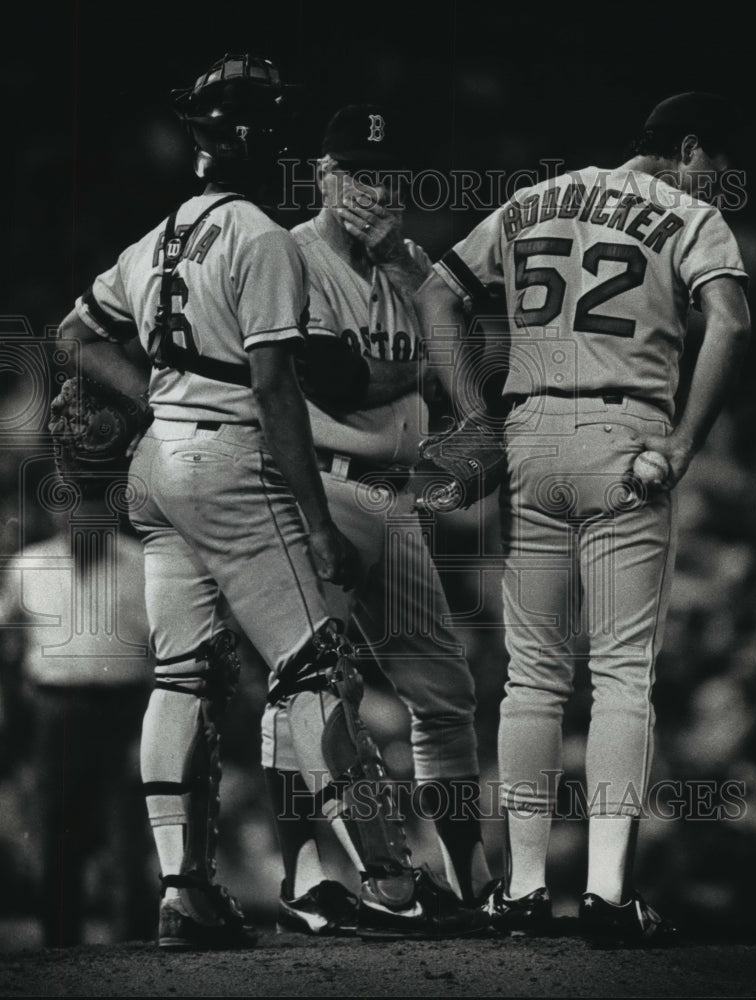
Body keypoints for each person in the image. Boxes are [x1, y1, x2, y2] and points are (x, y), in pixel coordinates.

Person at [56, 54, 484, 948]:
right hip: (230, 463)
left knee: (181, 678)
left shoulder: (163, 233)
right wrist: (317, 522)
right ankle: (392, 885)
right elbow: (279, 390)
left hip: (157, 465)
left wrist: (153, 403)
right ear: (275, 142)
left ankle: (184, 893)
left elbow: (73, 335)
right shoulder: (260, 237)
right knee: (317, 670)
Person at [415, 92, 751, 944]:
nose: (719, 178)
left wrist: (474, 417)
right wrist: (680, 446)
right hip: (626, 436)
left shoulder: (533, 199)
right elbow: (732, 323)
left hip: (530, 434)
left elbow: (435, 295)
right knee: (622, 673)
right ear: (688, 146)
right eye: (715, 160)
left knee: (531, 674)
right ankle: (605, 894)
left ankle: (524, 891)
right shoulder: (689, 211)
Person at [260, 105, 494, 936]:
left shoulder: (405, 264)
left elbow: (466, 362)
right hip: (313, 491)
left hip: (393, 500)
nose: (375, 188)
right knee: (313, 690)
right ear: (321, 172)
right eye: (357, 172)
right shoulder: (288, 253)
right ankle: (311, 880)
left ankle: (470, 880)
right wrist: (422, 355)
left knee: (445, 690)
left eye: (389, 175)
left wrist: (411, 272)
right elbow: (333, 382)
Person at [0, 485, 155, 947]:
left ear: (111, 512)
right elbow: (8, 650)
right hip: (55, 711)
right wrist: (16, 727)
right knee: (57, 831)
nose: (81, 515)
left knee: (127, 832)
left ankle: (136, 950)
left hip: (127, 708)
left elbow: (165, 652)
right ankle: (60, 947)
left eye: (92, 504)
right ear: (55, 511)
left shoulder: (143, 564)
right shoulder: (27, 567)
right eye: (70, 504)